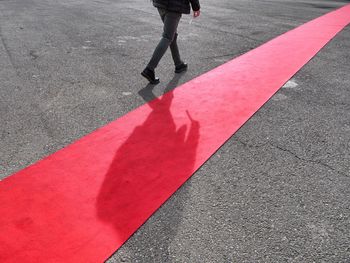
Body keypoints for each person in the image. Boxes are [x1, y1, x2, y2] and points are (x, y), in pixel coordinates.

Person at [141, 0, 201, 84]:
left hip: (161, 3)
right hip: (174, 5)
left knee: (172, 35)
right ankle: (149, 69)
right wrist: (196, 7)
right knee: (167, 37)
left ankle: (178, 63)